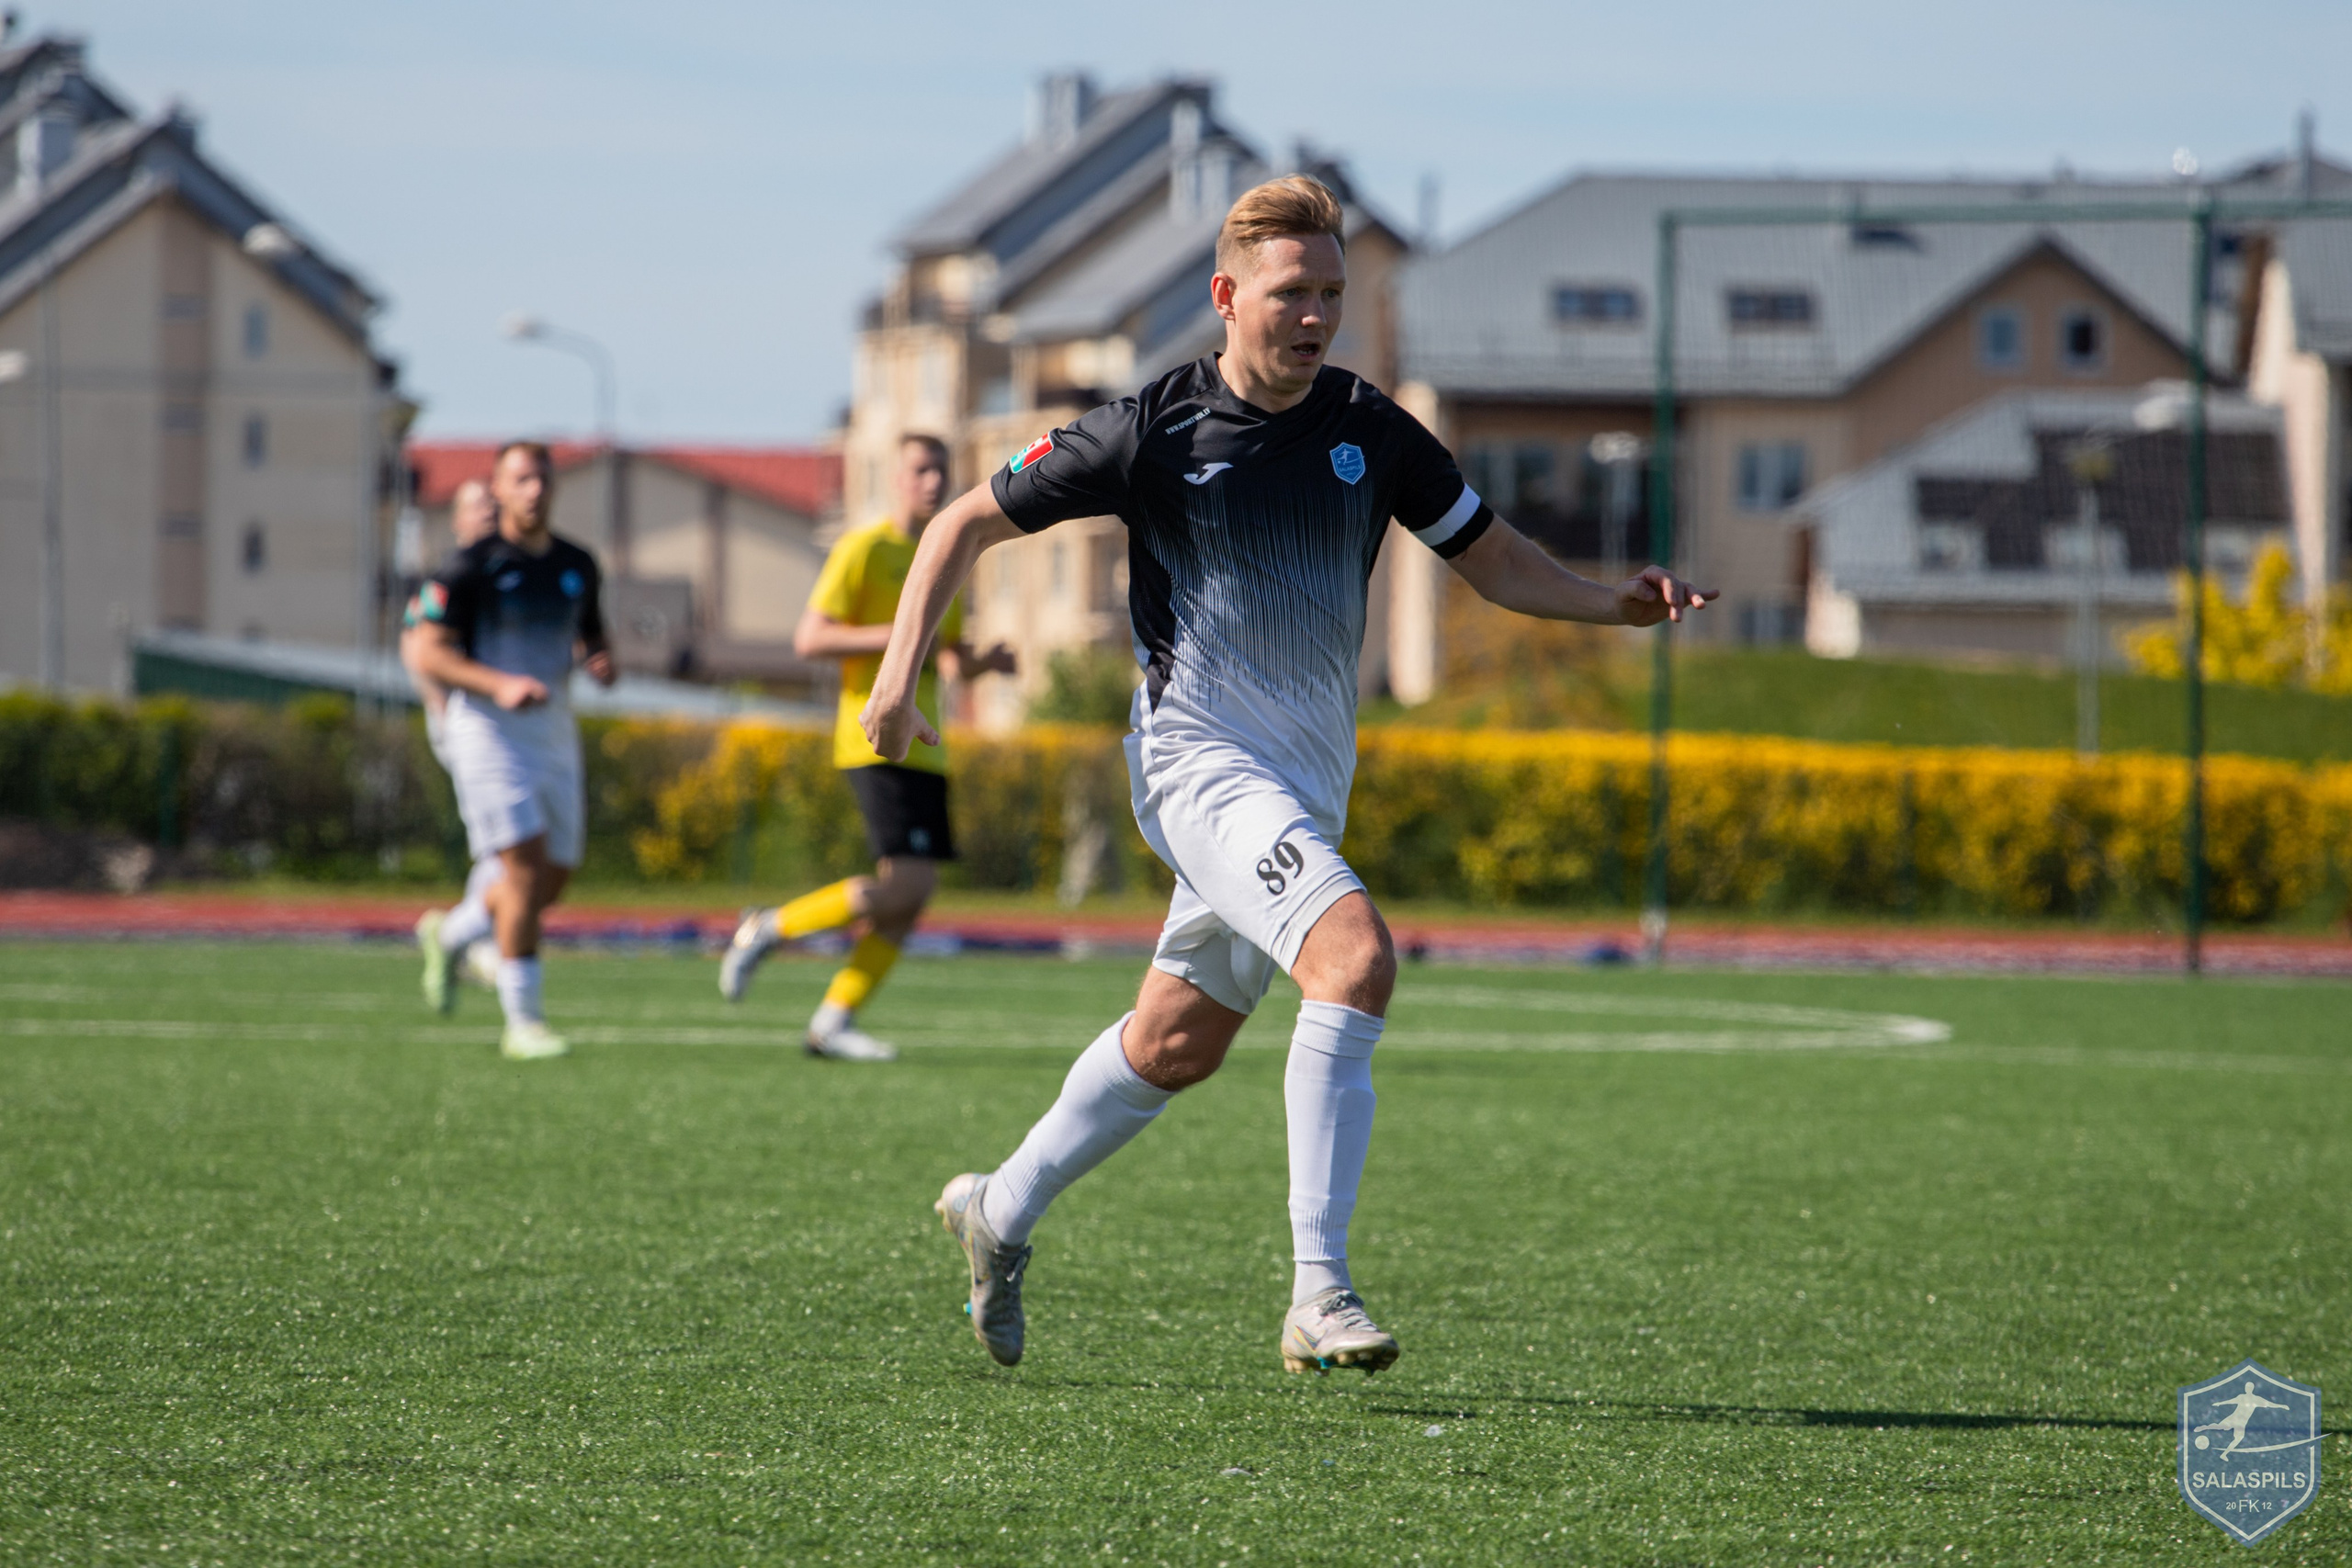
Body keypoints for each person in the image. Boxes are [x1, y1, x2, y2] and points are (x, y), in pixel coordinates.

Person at [859, 176, 1716, 1371]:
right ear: (1227, 296)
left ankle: (996, 1210)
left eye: (1330, 293)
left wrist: (1609, 606)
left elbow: (1496, 560)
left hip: (1304, 780)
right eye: (1289, 293)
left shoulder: (1369, 427)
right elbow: (959, 524)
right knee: (1354, 955)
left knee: (1175, 1043)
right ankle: (1319, 1291)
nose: (1314, 315)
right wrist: (897, 679)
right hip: (1195, 760)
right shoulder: (1150, 427)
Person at [718, 434, 1016, 1060]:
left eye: (941, 469)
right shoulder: (865, 547)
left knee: (912, 898)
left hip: (928, 743)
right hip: (874, 734)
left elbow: (949, 659)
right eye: (920, 470)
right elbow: (810, 638)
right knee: (907, 885)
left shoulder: (950, 553)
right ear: (896, 479)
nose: (932, 482)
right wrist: (904, 627)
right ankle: (769, 927)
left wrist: (984, 663)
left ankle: (831, 1022)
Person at [407, 442, 616, 1059]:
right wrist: (498, 683)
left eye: (542, 478)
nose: (534, 489)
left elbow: (591, 638)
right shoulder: (469, 567)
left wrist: (601, 662)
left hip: (552, 730)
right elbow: (427, 651)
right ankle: (523, 1022)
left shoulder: (578, 563)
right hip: (489, 732)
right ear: (497, 489)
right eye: (520, 479)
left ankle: (451, 933)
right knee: (522, 868)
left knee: (552, 878)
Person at [406, 478, 506, 1010]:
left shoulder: (509, 571)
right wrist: (440, 707)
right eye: (477, 507)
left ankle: (456, 937)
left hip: (510, 724)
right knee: (503, 844)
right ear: (458, 521)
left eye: (494, 506)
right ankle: (470, 940)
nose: (488, 515)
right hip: (468, 723)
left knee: (518, 845)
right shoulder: (450, 576)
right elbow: (415, 644)